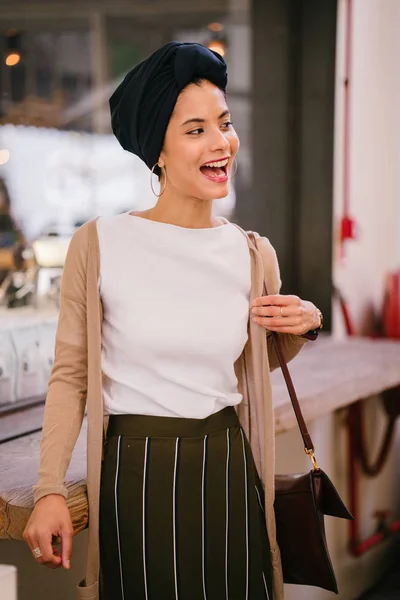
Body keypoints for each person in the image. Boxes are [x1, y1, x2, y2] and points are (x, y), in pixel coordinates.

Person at [23, 42, 323, 600]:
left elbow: (260, 362)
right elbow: (70, 375)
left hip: (228, 467)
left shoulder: (253, 253)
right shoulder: (99, 244)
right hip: (135, 475)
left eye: (225, 124)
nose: (221, 143)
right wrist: (49, 490)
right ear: (156, 150)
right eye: (195, 130)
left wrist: (304, 324)